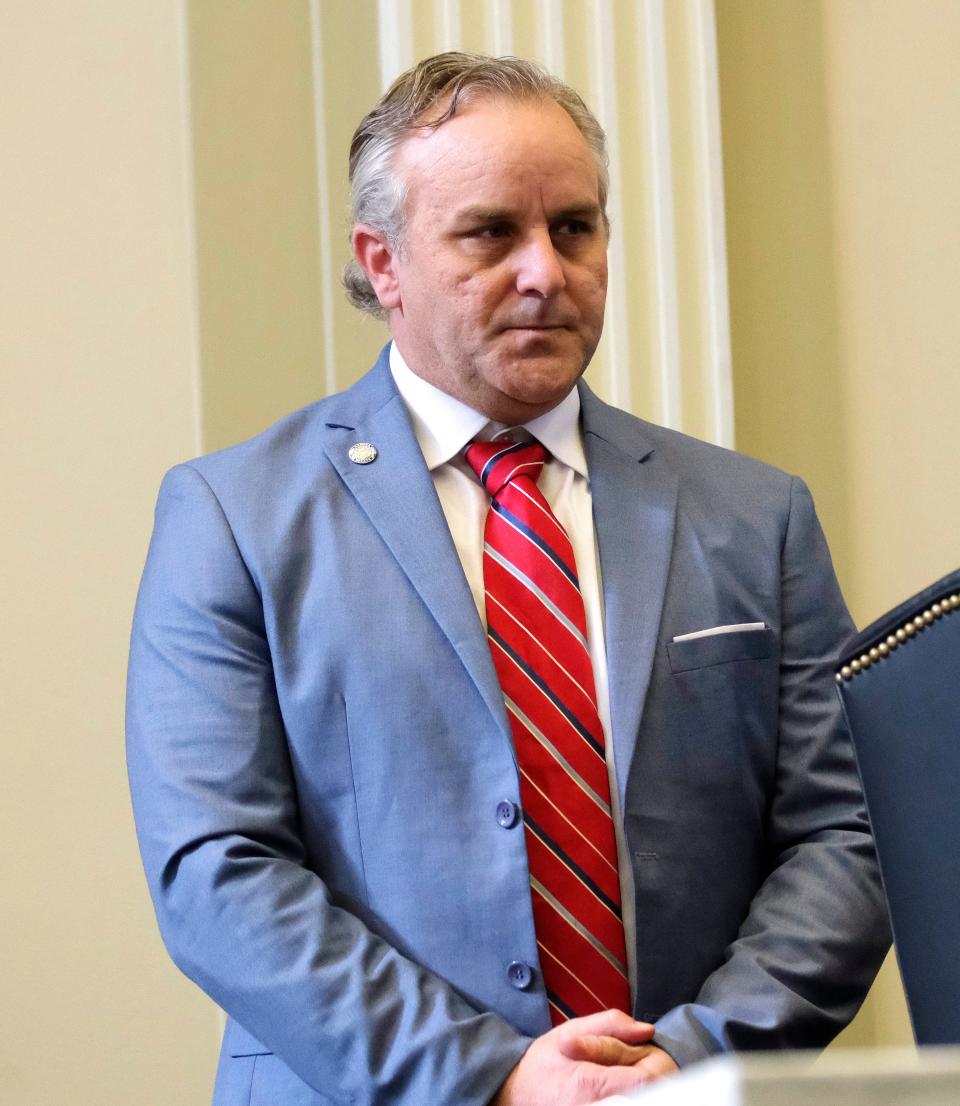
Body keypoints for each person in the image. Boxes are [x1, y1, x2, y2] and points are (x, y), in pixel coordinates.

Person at [126, 52, 889, 1106]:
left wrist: (691, 1060)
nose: (546, 272)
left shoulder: (755, 516)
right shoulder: (234, 517)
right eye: (491, 233)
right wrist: (493, 1075)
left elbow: (846, 832)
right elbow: (217, 871)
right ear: (382, 261)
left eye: (575, 227)